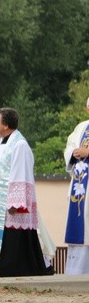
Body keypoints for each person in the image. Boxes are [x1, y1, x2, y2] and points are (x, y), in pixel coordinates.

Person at [0, 108, 48, 278]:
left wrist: (16, 202)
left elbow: (21, 172)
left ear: (5, 125)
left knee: (15, 241)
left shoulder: (19, 145)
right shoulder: (2, 145)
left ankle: (14, 270)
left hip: (11, 206)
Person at [62, 97, 89, 274]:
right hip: (80, 184)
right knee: (81, 225)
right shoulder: (81, 127)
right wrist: (74, 153)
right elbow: (69, 146)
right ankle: (77, 274)